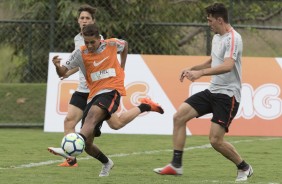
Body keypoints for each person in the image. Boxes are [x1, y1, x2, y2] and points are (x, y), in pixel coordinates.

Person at [48, 5, 164, 177]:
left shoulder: (110, 44)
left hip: (111, 90)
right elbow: (64, 73)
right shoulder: (80, 51)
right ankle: (107, 161)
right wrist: (58, 67)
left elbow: (125, 46)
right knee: (97, 138)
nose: (89, 46)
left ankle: (70, 148)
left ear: (99, 39)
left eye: (92, 42)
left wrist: (122, 67)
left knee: (92, 117)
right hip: (92, 94)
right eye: (86, 43)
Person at [153, 3, 253, 182]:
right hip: (213, 91)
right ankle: (176, 165)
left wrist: (200, 74)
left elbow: (228, 65)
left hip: (228, 96)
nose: (208, 23)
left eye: (210, 20)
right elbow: (213, 61)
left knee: (215, 141)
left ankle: (244, 167)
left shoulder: (233, 38)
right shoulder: (217, 37)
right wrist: (193, 67)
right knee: (179, 117)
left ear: (220, 20)